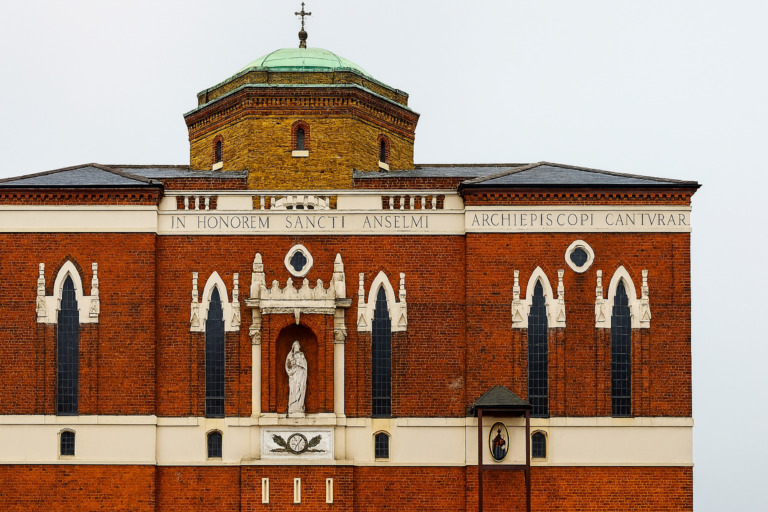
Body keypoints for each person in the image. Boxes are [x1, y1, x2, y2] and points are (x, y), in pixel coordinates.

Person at [286, 340, 308, 415]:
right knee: (293, 389)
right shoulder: (290, 355)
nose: (298, 347)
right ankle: (293, 405)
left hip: (301, 374)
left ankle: (300, 405)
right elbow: (288, 366)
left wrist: (300, 365)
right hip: (294, 375)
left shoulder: (302, 355)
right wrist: (292, 364)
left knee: (300, 388)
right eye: (297, 346)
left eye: (298, 346)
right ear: (294, 347)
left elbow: (305, 365)